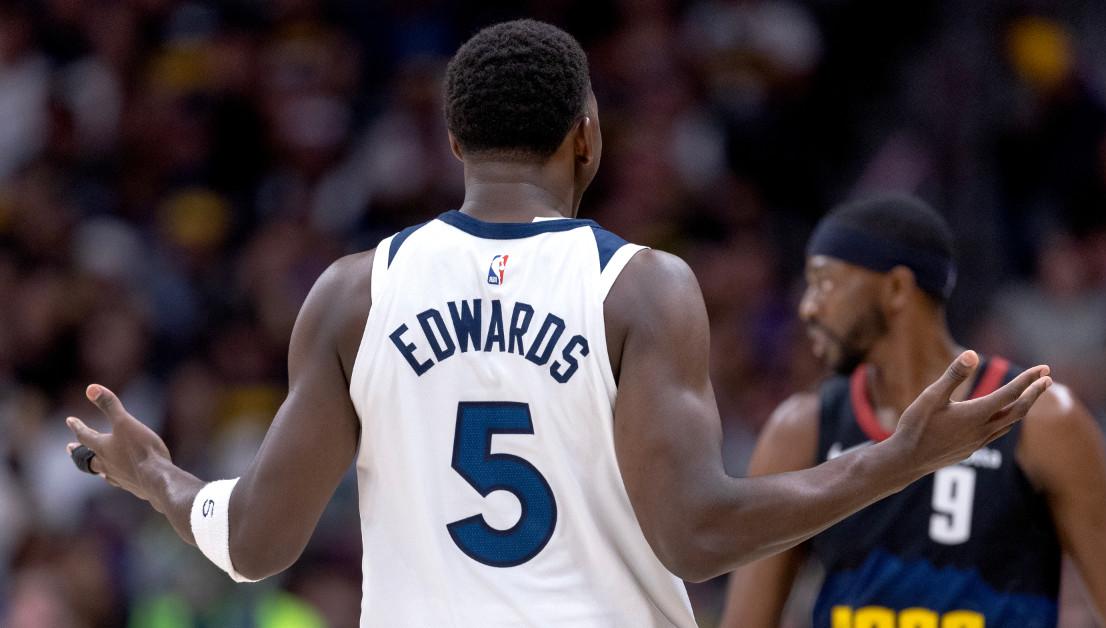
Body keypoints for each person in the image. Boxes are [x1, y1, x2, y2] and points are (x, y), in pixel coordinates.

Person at [63, 21, 1052, 627]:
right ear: (588, 135)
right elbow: (698, 535)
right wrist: (894, 459)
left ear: (454, 141)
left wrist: (155, 474)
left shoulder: (355, 293)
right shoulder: (642, 288)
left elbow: (258, 541)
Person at [721, 195, 1106, 628]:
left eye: (825, 282)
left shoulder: (1042, 419)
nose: (808, 306)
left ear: (895, 289)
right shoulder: (801, 428)